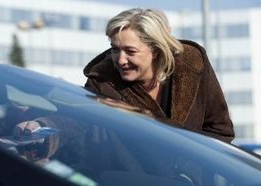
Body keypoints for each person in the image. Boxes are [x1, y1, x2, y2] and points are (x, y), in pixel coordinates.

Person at [83, 7, 234, 142]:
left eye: (130, 51)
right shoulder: (101, 84)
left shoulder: (192, 64)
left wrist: (196, 169)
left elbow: (220, 130)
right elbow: (84, 138)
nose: (120, 60)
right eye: (115, 49)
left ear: (155, 50)